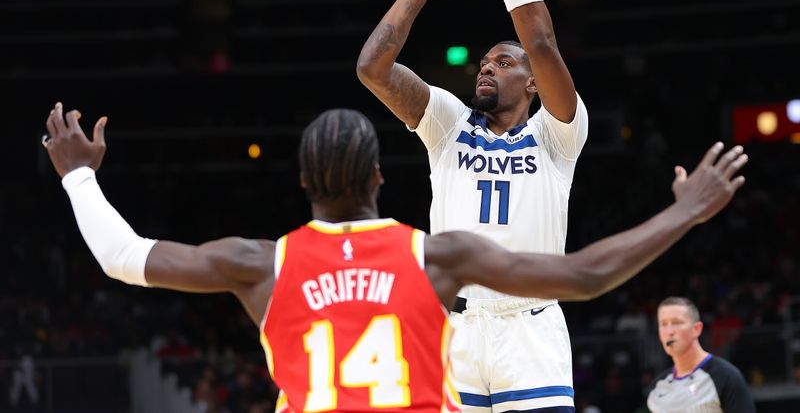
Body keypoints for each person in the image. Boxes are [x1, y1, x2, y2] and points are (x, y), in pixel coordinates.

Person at [43, 102, 747, 413]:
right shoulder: (437, 257)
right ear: (381, 178)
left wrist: (78, 173)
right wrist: (688, 209)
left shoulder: (260, 263)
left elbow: (121, 254)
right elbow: (587, 274)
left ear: (302, 184)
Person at [357, 0, 587, 410]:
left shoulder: (558, 134)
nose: (487, 68)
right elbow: (372, 67)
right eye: (484, 62)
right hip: (455, 328)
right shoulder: (449, 123)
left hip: (529, 327)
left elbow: (543, 42)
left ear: (531, 82)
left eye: (504, 62)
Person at [647, 297, 756, 413]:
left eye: (676, 322)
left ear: (697, 329)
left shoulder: (725, 376)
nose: (669, 331)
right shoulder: (658, 385)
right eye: (663, 324)